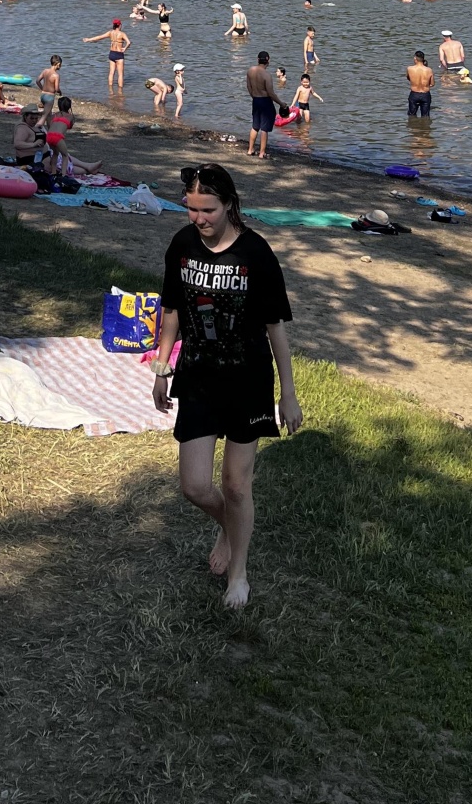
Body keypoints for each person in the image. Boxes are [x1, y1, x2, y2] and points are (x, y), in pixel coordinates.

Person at [152, 163, 302, 611]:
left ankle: (239, 572)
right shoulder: (181, 245)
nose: (199, 219)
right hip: (197, 376)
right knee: (195, 487)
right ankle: (229, 525)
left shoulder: (256, 253)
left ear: (230, 205)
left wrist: (288, 394)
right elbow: (173, 312)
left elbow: (275, 328)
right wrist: (162, 368)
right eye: (192, 208)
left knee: (237, 486)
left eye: (208, 210)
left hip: (248, 381)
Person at [245, 51, 287, 159]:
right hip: (265, 101)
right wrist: (282, 104)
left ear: (257, 59)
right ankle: (262, 153)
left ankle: (250, 150)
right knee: (264, 128)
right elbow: (271, 93)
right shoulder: (266, 75)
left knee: (255, 126)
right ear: (268, 60)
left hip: (256, 100)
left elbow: (249, 88)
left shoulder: (250, 71)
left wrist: (254, 97)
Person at [83, 18, 130, 91]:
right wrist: (125, 48)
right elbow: (129, 42)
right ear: (120, 25)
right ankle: (120, 91)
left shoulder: (110, 33)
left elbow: (99, 37)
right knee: (120, 74)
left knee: (111, 73)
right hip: (119, 54)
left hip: (112, 54)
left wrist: (89, 39)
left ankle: (110, 90)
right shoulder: (122, 34)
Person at [43, 97, 75, 170]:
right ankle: (63, 174)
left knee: (55, 153)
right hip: (58, 137)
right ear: (69, 106)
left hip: (49, 136)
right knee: (65, 155)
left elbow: (50, 125)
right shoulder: (70, 116)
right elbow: (70, 126)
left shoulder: (55, 115)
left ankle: (54, 172)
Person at [406, 51, 433, 118]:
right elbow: (432, 84)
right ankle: (425, 127)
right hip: (425, 94)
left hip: (414, 94)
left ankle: (413, 127)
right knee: (426, 116)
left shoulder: (409, 69)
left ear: (415, 58)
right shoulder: (429, 70)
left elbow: (409, 78)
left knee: (412, 115)